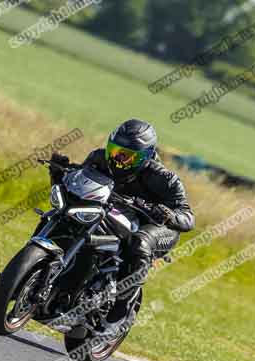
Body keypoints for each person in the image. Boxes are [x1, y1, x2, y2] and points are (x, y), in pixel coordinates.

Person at [50, 118, 195, 335]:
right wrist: (59, 174)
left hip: (156, 226)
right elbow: (79, 186)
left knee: (139, 242)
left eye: (128, 156)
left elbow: (188, 218)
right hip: (116, 216)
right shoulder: (99, 158)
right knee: (64, 214)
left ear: (145, 156)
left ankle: (119, 314)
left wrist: (168, 215)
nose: (118, 159)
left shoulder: (164, 179)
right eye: (116, 150)